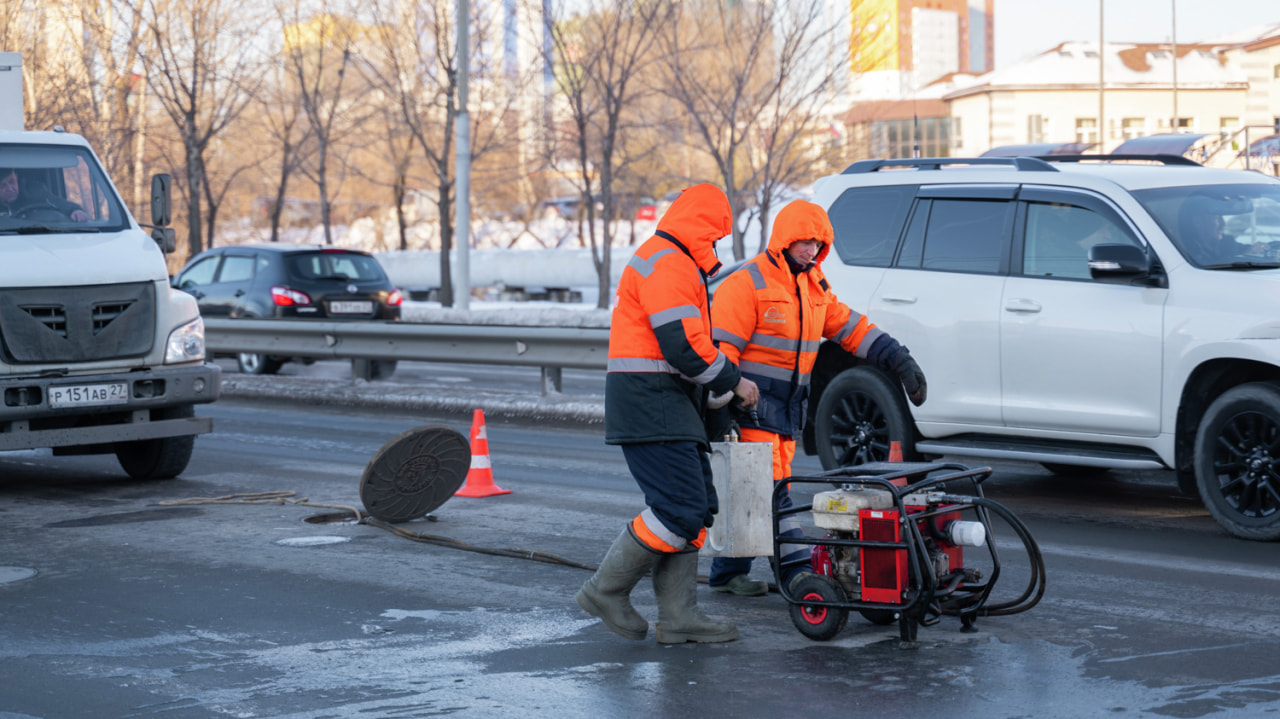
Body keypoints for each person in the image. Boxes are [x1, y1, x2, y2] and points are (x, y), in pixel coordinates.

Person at [706, 199, 927, 597]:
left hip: (786, 413)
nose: (810, 250)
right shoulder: (747, 284)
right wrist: (724, 409)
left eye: (817, 243)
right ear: (784, 240)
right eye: (804, 241)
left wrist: (898, 357)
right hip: (750, 412)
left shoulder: (815, 288)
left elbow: (850, 328)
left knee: (752, 493)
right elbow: (721, 353)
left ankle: (727, 574)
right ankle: (796, 574)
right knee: (773, 493)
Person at [576, 183, 759, 644]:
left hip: (664, 400)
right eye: (717, 236)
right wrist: (733, 380)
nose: (718, 246)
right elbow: (684, 347)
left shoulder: (676, 263)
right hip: (648, 398)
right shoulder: (669, 262)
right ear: (704, 228)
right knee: (679, 508)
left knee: (698, 509)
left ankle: (679, 617)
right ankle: (606, 589)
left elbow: (688, 350)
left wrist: (718, 400)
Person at [0, 167, 88, 222]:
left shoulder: (34, 191)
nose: (10, 188)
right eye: (3, 185)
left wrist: (75, 210)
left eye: (12, 181)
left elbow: (57, 202)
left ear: (17, 177)